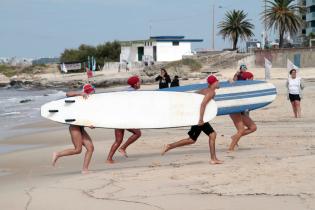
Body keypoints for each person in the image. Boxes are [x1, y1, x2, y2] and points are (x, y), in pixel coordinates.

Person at [161, 75, 223, 165]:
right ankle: (213, 159)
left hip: (196, 116)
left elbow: (191, 98)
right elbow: (203, 105)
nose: (219, 83)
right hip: (199, 118)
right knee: (211, 135)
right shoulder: (211, 92)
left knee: (192, 140)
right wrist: (200, 119)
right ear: (214, 82)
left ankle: (169, 146)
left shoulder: (202, 91)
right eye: (218, 81)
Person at [52, 83, 95, 174]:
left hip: (81, 127)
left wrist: (90, 124)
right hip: (74, 127)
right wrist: (80, 94)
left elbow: (84, 116)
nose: (92, 94)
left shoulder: (89, 102)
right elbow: (68, 94)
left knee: (90, 148)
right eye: (91, 92)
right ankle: (57, 154)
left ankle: (85, 169)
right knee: (77, 150)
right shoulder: (77, 98)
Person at [106, 76, 142, 163]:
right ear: (136, 83)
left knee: (118, 140)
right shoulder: (132, 93)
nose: (140, 83)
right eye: (139, 82)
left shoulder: (124, 90)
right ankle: (123, 148)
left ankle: (109, 159)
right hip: (124, 118)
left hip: (118, 117)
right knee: (137, 133)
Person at [228, 66, 257, 152]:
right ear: (248, 79)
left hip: (242, 111)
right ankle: (231, 148)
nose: (253, 80)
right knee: (241, 130)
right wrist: (232, 80)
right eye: (252, 79)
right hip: (234, 110)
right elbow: (230, 82)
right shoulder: (236, 86)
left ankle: (234, 137)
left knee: (253, 127)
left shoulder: (247, 89)